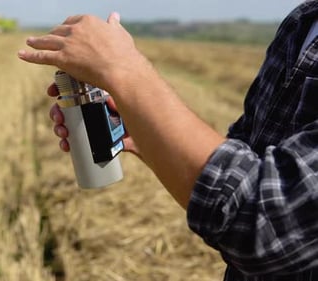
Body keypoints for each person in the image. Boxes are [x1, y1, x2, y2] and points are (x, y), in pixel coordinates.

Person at [18, 1, 318, 280]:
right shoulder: (303, 21)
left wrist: (125, 71)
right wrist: (147, 127)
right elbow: (244, 159)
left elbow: (268, 223)